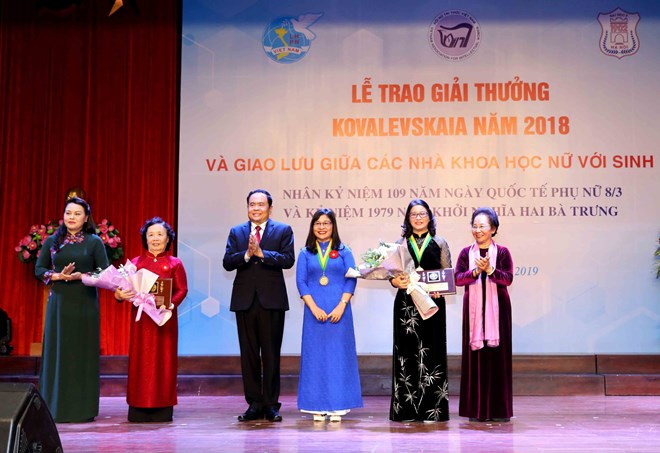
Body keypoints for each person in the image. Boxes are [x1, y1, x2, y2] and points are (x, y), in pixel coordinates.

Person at [222, 189, 295, 422]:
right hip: (245, 302)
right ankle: (254, 403)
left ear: (269, 208)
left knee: (271, 355)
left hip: (271, 301)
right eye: (252, 204)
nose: (256, 208)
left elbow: (288, 259)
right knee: (249, 355)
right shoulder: (237, 232)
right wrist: (246, 254)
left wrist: (262, 253)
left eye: (260, 204)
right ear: (247, 207)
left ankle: (271, 404)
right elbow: (227, 262)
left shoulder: (283, 230)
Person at [35, 196, 109, 422]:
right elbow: (39, 269)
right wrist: (58, 276)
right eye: (68, 213)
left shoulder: (94, 241)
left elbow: (105, 273)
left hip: (85, 303)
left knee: (81, 354)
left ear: (86, 218)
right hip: (60, 304)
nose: (72, 218)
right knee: (59, 353)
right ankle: (55, 409)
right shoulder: (52, 242)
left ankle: (82, 409)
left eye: (77, 214)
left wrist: (82, 276)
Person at [114, 217, 188, 422]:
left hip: (164, 321)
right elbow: (122, 290)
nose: (155, 239)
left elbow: (182, 289)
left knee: (164, 361)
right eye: (151, 235)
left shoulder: (175, 263)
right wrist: (119, 295)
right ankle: (138, 406)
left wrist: (171, 304)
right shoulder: (135, 264)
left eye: (159, 235)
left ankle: (163, 407)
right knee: (140, 361)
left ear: (168, 239)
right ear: (145, 239)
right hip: (141, 322)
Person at [296, 208, 362, 422]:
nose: (322, 227)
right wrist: (313, 307)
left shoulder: (344, 251)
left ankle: (338, 404)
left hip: (339, 310)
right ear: (312, 227)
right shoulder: (306, 252)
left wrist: (341, 305)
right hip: (314, 311)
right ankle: (316, 404)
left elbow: (351, 279)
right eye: (317, 223)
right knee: (315, 357)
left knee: (338, 356)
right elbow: (301, 282)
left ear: (333, 226)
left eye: (326, 223)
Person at [388, 199, 452, 422]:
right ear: (407, 218)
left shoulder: (440, 242)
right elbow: (391, 275)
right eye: (413, 214)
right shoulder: (399, 244)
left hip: (432, 304)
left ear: (429, 217)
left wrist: (440, 289)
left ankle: (432, 409)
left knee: (432, 352)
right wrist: (395, 282)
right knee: (406, 352)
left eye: (422, 213)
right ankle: (406, 409)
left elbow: (447, 273)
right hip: (406, 306)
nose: (418, 217)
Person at [455, 207, 514, 422]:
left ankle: (499, 410)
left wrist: (490, 270)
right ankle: (476, 410)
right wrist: (475, 272)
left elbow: (507, 279)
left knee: (497, 358)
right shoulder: (465, 253)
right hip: (472, 312)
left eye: (483, 226)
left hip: (499, 311)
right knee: (475, 359)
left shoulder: (504, 252)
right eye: (475, 226)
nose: (477, 230)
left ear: (494, 229)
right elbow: (459, 279)